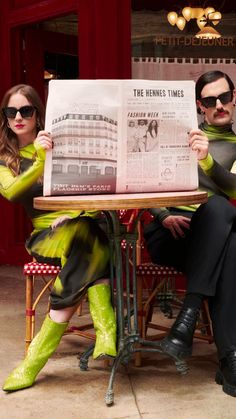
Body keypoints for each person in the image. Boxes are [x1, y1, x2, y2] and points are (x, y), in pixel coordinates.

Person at [0, 84, 117, 392]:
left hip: (80, 226)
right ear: (5, 117)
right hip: (44, 236)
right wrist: (39, 159)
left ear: (38, 114)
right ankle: (106, 331)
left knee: (87, 230)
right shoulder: (4, 157)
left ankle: (33, 362)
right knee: (92, 241)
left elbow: (89, 186)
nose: (19, 117)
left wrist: (76, 213)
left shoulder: (61, 144)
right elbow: (11, 192)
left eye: (26, 110)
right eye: (11, 112)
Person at [144, 70, 236, 397]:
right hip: (170, 233)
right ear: (200, 105)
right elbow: (148, 182)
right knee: (230, 241)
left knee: (223, 214)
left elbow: (233, 186)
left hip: (210, 236)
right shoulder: (178, 135)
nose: (219, 105)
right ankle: (227, 355)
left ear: (234, 97)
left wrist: (208, 159)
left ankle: (224, 355)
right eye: (210, 101)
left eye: (224, 97)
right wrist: (164, 214)